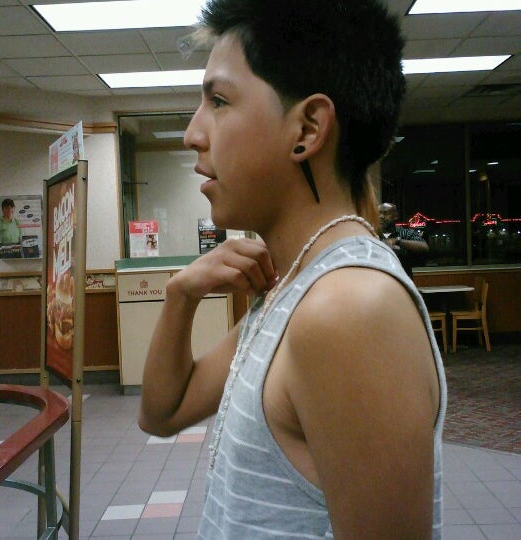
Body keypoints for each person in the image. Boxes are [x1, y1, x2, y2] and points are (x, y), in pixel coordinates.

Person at [139, 1, 446, 538]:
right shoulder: (295, 288)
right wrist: (180, 295)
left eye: (219, 101)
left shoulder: (346, 310)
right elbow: (162, 414)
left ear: (307, 128)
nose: (192, 134)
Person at [378, 202, 429, 279]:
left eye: (385, 213)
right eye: (379, 213)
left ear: (395, 216)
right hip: (380, 281)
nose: (381, 216)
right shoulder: (372, 234)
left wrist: (397, 241)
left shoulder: (406, 233)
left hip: (403, 281)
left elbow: (424, 247)